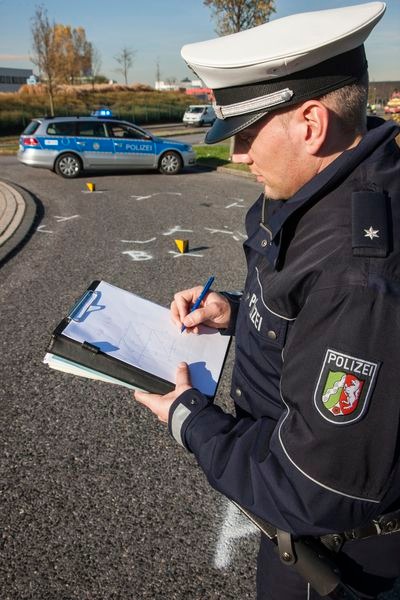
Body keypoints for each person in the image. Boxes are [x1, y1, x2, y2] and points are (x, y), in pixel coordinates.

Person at [134, 2, 400, 598]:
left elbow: (312, 488)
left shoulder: (356, 272)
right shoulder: (327, 191)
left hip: (332, 561)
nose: (235, 154)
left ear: (310, 124)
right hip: (309, 540)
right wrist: (234, 309)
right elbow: (311, 316)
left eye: (247, 133)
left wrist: (188, 418)